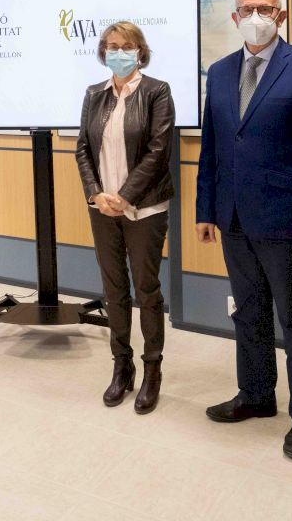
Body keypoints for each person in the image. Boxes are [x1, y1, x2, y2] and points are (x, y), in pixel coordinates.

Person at [195, 0, 292, 461]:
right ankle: (256, 395)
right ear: (235, 18)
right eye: (248, 9)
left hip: (285, 219)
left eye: (266, 8)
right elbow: (213, 147)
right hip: (232, 216)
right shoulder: (219, 72)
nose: (256, 16)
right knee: (248, 312)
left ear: (281, 15)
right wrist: (205, 210)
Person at [75, 21, 175, 413]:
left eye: (126, 45)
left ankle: (152, 370)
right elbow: (83, 148)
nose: (118, 52)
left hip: (144, 208)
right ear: (103, 52)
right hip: (102, 208)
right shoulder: (93, 94)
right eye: (111, 46)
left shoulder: (156, 91)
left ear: (140, 51)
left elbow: (158, 150)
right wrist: (95, 193)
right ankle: (122, 366)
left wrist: (124, 196)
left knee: (146, 289)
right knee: (114, 289)